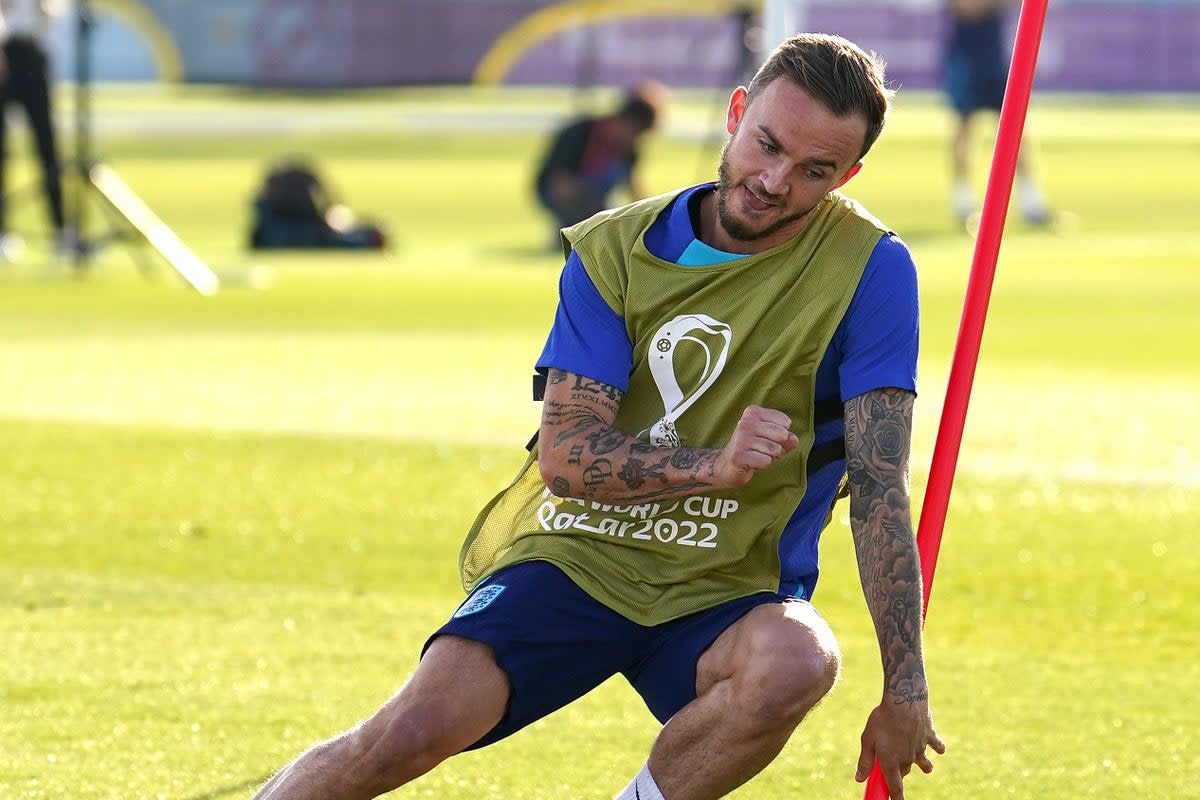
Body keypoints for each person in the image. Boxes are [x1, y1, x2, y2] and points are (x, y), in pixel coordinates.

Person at [251, 32, 944, 800]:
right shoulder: (615, 248)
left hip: (731, 585)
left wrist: (905, 690)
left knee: (800, 660)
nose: (775, 182)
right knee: (404, 736)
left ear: (849, 173)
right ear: (736, 113)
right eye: (766, 145)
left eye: (814, 170)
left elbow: (881, 485)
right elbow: (569, 459)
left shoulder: (871, 267)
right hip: (579, 556)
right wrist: (713, 465)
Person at [943, 0, 1050, 229]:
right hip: (966, 57)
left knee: (1017, 128)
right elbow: (966, 8)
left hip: (995, 55)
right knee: (964, 127)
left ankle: (1032, 204)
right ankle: (964, 204)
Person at [533, 80, 665, 236]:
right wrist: (594, 212)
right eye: (636, 133)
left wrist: (651, 219)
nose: (635, 140)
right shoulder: (579, 133)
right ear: (625, 121)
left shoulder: (629, 149)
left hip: (598, 201)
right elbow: (560, 187)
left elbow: (634, 190)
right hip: (561, 195)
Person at [0, 0, 72, 261]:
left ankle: (60, 229)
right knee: (1, 151)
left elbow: (55, 13)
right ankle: (2, 232)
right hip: (4, 53)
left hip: (32, 53)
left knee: (47, 146)